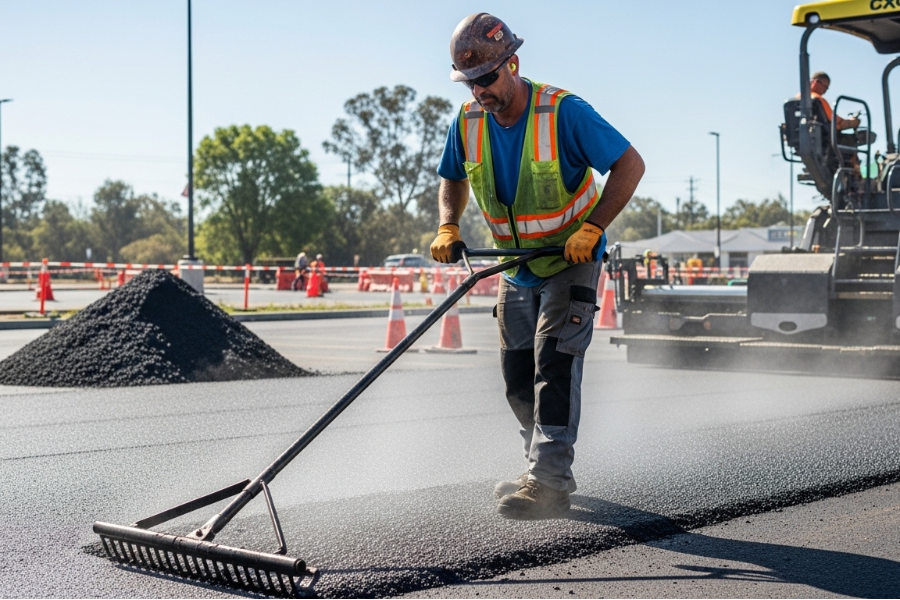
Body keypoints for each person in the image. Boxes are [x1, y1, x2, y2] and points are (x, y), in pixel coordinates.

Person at [431, 13, 644, 519]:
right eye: (471, 81)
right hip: (514, 265)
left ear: (513, 64)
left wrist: (591, 228)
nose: (480, 89)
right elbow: (452, 176)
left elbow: (629, 164)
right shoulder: (467, 121)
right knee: (515, 375)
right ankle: (538, 466)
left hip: (570, 260)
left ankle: (549, 481)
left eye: (487, 78)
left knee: (555, 363)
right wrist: (448, 225)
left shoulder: (563, 112)